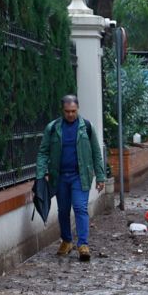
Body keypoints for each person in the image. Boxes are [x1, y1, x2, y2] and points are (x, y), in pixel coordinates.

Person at [37, 95, 108, 261]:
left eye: (73, 111)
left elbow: (96, 152)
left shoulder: (86, 127)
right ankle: (67, 241)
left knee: (80, 207)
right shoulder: (53, 128)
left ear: (78, 109)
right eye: (67, 111)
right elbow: (43, 152)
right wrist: (40, 174)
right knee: (63, 210)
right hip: (60, 176)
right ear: (63, 110)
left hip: (80, 175)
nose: (70, 114)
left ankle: (83, 244)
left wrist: (100, 176)